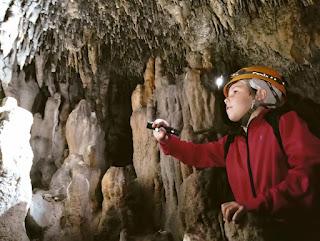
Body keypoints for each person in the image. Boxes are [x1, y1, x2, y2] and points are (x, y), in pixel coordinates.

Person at [152, 66, 320, 241]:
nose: (226, 100)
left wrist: (256, 204)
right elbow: (198, 155)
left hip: (294, 230)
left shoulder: (284, 122)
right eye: (226, 96)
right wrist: (166, 140)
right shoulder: (232, 143)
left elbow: (308, 172)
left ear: (260, 94)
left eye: (234, 91)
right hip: (251, 232)